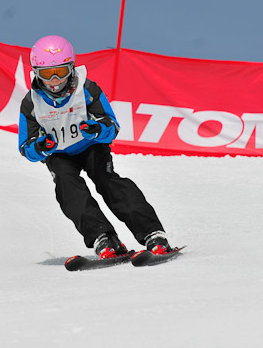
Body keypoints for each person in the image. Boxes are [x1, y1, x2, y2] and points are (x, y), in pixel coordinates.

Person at [18, 35, 173, 259]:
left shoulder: (87, 89)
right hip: (59, 155)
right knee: (67, 188)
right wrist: (41, 147)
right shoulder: (31, 103)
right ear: (36, 73)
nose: (54, 80)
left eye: (60, 72)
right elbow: (26, 146)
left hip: (91, 147)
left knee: (107, 180)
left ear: (71, 69)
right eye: (46, 74)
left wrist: (97, 129)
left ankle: (152, 233)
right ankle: (104, 237)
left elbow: (112, 125)